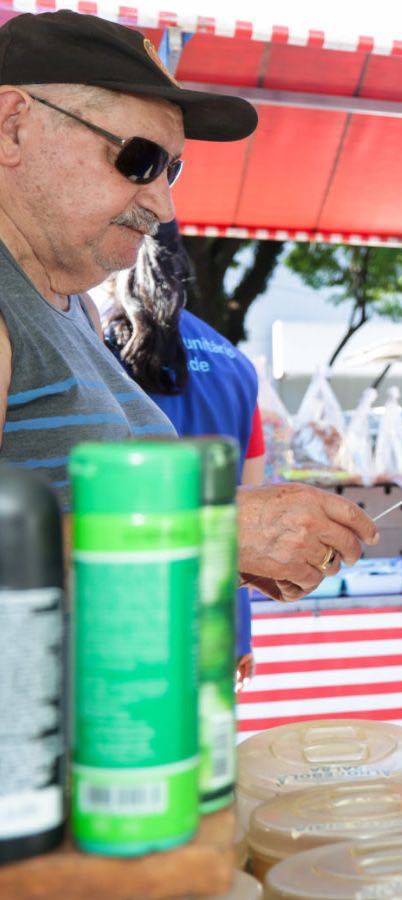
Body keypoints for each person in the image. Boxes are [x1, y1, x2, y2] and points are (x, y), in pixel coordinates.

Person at [0, 10, 374, 602]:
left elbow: (89, 535)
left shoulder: (76, 310)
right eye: (139, 158)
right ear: (12, 126)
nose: (163, 204)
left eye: (172, 168)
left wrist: (233, 548)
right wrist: (211, 534)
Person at [105, 224, 274, 678]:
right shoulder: (235, 364)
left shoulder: (96, 349)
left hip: (123, 620)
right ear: (182, 273)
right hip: (216, 621)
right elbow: (249, 514)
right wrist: (242, 634)